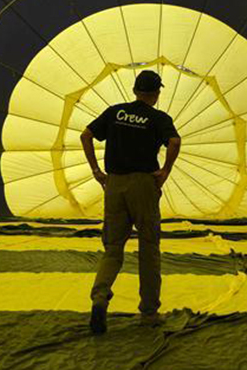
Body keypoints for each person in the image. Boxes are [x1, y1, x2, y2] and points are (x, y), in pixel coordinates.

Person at [80, 69, 182, 335]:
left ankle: (100, 298)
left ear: (135, 91)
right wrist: (166, 171)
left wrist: (96, 171)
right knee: (149, 248)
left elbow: (86, 135)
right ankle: (149, 313)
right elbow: (174, 141)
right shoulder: (158, 118)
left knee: (113, 249)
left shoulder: (115, 112)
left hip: (114, 183)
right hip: (143, 185)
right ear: (156, 94)